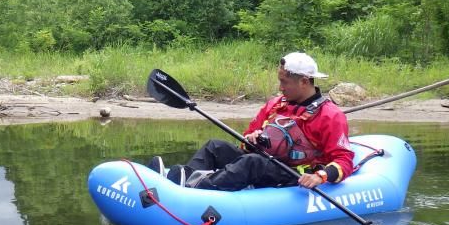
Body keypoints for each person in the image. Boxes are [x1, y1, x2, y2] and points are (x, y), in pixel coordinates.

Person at [150, 52, 354, 191]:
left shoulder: (331, 115)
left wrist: (320, 176)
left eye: (285, 82)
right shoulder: (275, 105)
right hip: (265, 161)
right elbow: (244, 143)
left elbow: (344, 161)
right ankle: (184, 176)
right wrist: (251, 140)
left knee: (252, 163)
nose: (280, 87)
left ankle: (194, 189)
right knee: (215, 146)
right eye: (279, 81)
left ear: (304, 81)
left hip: (292, 173)